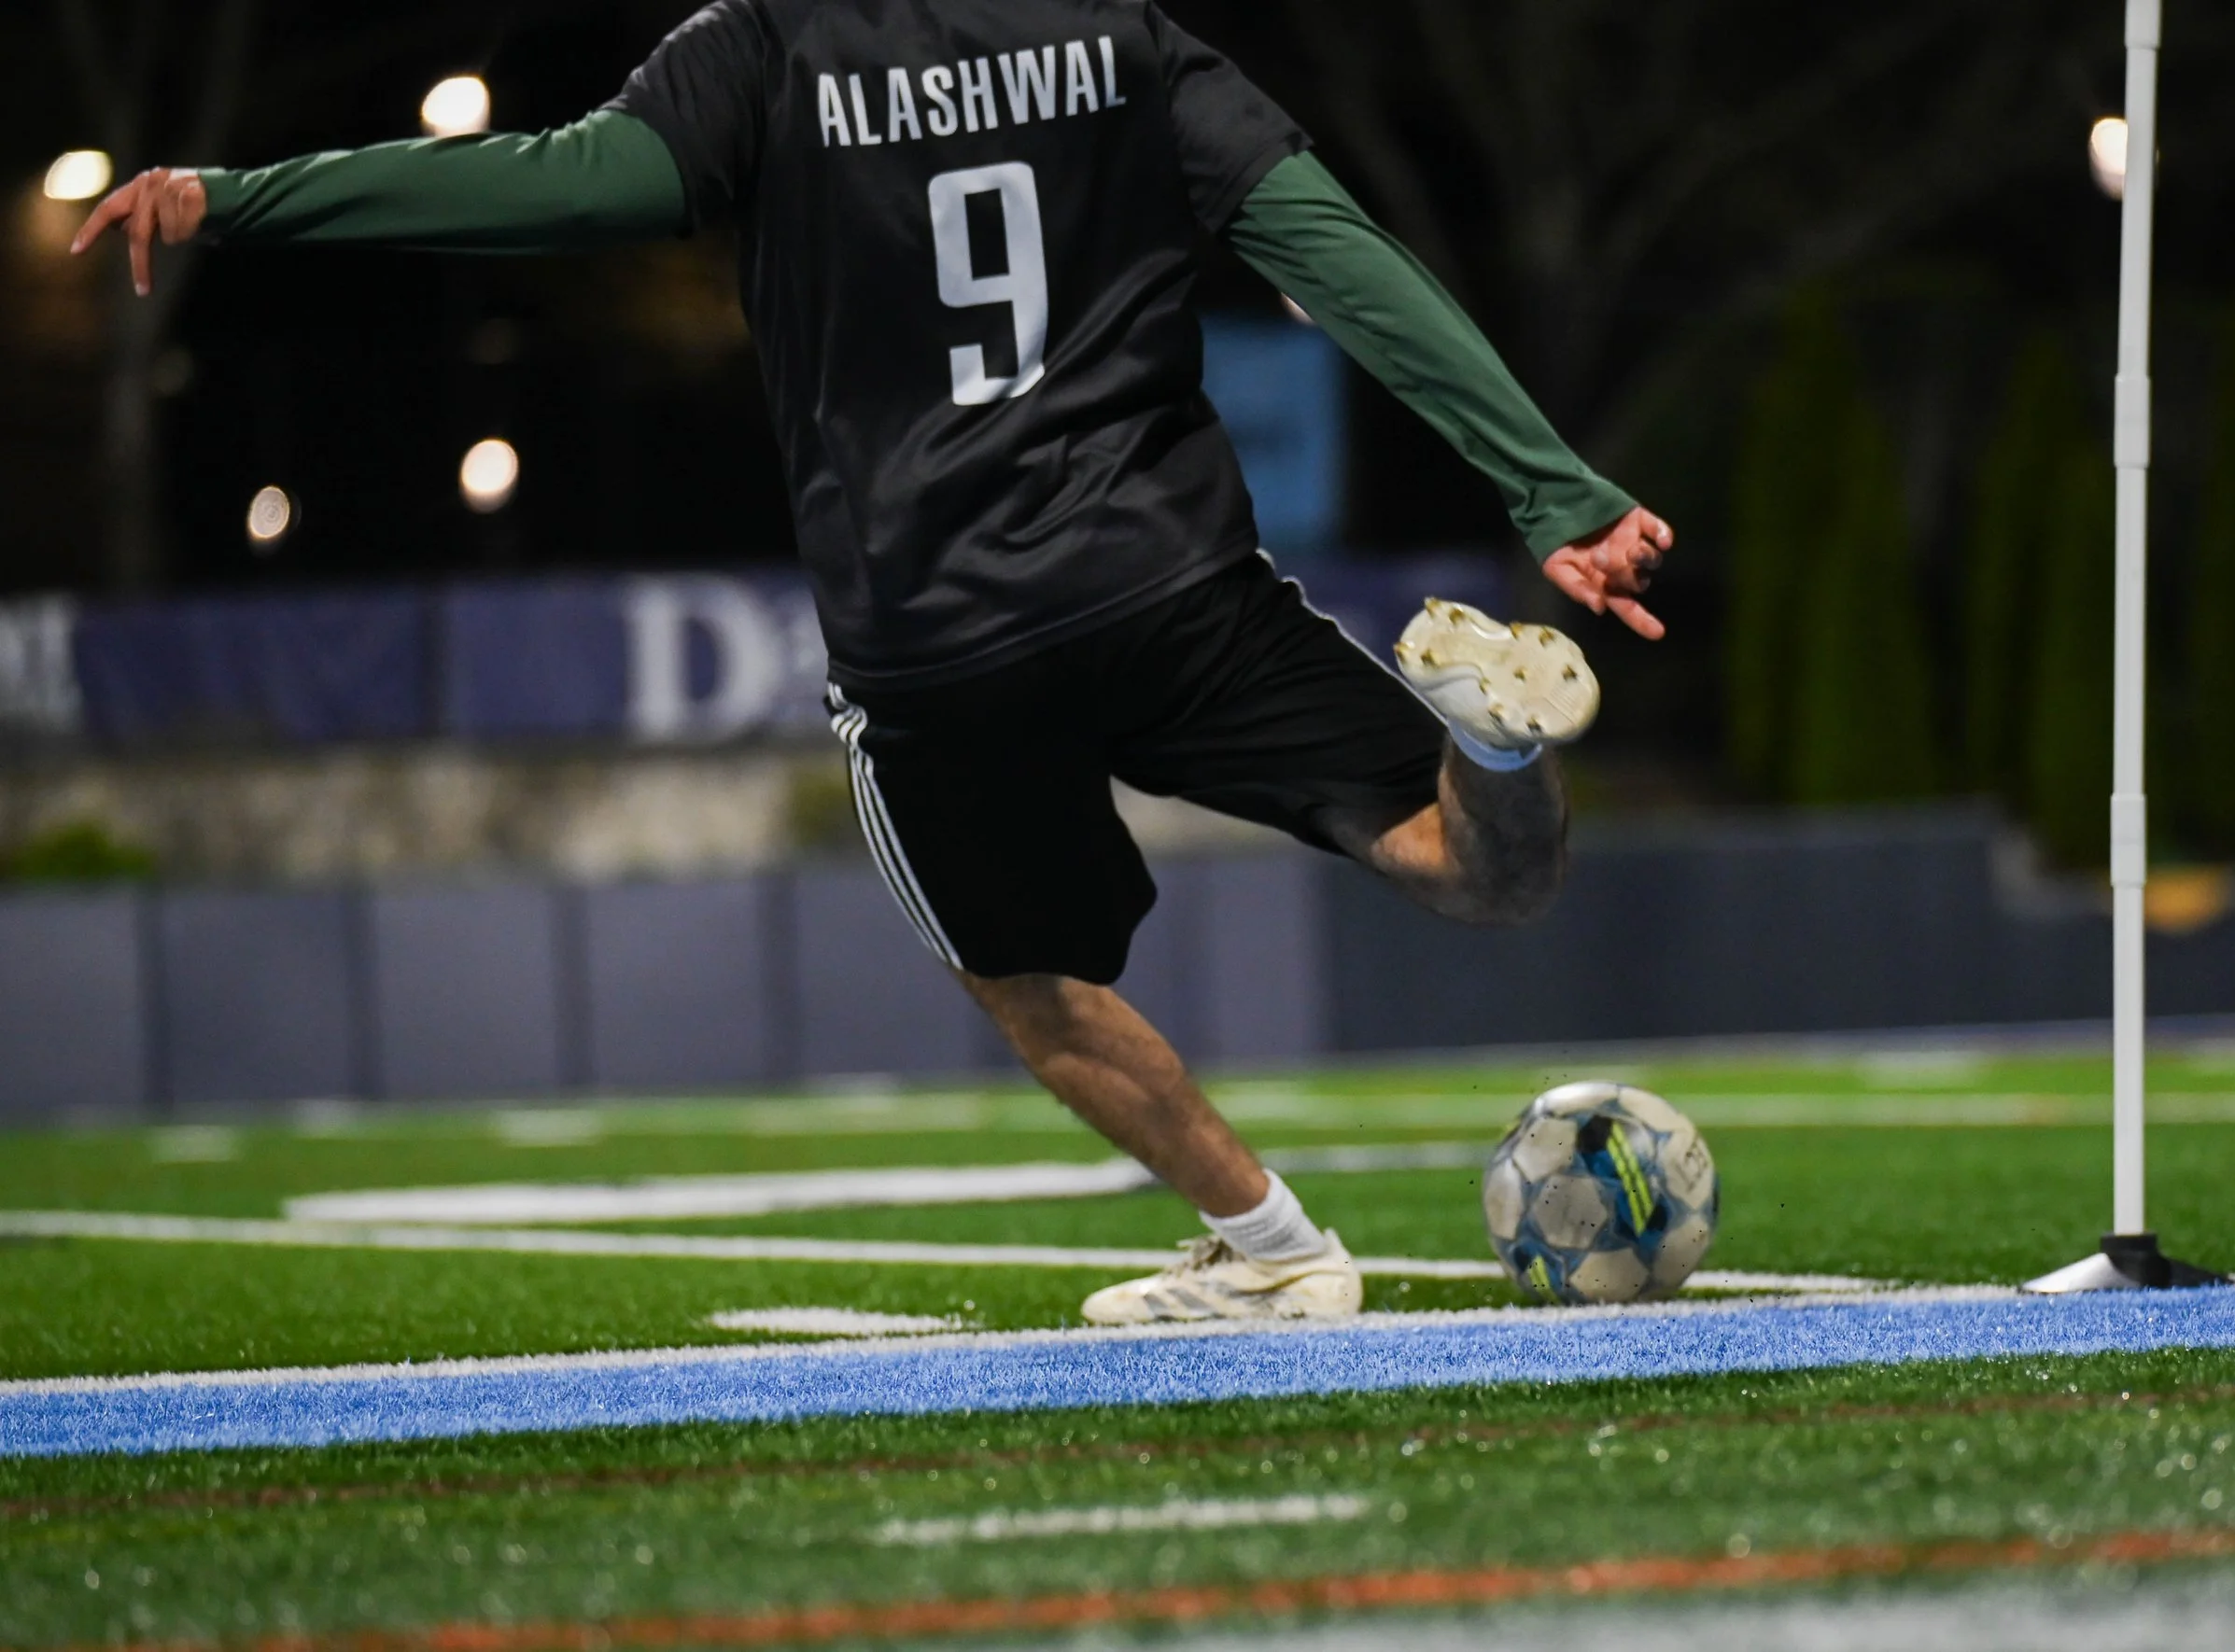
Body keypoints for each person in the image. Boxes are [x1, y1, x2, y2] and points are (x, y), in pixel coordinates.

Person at [77, 0, 1671, 1325]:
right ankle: (1503, 749)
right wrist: (1547, 486)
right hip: (1173, 574)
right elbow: (1341, 259)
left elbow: (552, 189)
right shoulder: (1121, 36)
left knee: (1038, 990)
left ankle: (1278, 1254)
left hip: (941, 632)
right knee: (1477, 870)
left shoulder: (768, 46)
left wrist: (242, 192)